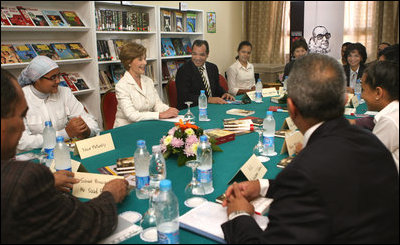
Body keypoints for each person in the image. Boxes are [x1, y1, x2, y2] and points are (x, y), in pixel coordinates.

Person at [221, 54, 399, 243]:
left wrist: (239, 215)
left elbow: (312, 184)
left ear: (291, 108)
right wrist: (263, 186)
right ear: (344, 100)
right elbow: (333, 184)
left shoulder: (303, 173)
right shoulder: (372, 143)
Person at [1, 69, 129, 243]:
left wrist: (48, 182)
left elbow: (89, 122)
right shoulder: (25, 177)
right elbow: (85, 224)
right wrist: (110, 195)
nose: (23, 127)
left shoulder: (65, 92)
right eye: (21, 116)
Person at [17, 55, 100, 152]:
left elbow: (90, 121)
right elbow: (22, 142)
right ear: (37, 79)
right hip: (33, 158)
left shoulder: (65, 92)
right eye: (53, 77)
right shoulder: (18, 99)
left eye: (58, 75)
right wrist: (65, 134)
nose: (58, 81)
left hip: (63, 152)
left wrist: (86, 131)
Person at [114, 42, 179, 128]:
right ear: (129, 62)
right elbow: (131, 115)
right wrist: (159, 115)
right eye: (140, 59)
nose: (145, 63)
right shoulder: (121, 86)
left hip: (146, 126)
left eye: (145, 58)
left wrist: (169, 110)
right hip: (126, 129)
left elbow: (157, 104)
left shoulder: (148, 81)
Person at [361, 61, 399, 172]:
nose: (362, 96)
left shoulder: (389, 121)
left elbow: (368, 160)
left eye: (364, 89)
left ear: (378, 92)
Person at [175, 40, 235, 110]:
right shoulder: (183, 71)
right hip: (192, 109)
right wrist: (208, 99)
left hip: (212, 108)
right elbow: (184, 97)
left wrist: (224, 93)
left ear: (207, 54)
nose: (197, 58)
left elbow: (216, 88)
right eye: (194, 54)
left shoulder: (213, 68)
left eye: (202, 55)